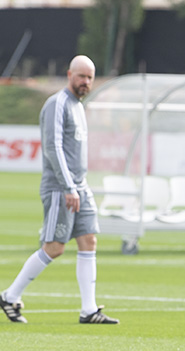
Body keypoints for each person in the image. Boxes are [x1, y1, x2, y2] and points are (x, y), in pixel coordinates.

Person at [0, 55, 118, 325]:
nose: (85, 82)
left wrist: (77, 185)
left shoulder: (79, 106)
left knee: (89, 240)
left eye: (89, 78)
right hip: (60, 188)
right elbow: (53, 147)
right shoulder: (57, 104)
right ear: (69, 75)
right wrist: (68, 186)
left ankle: (89, 310)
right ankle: (9, 295)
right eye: (81, 76)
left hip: (80, 186)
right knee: (54, 247)